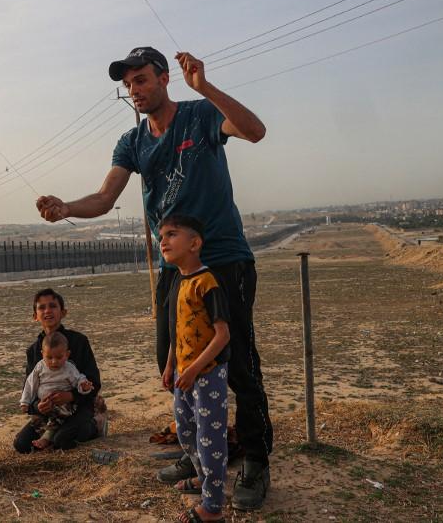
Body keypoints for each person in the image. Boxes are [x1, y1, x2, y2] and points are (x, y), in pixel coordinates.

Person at [35, 47, 272, 510]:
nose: (135, 91)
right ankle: (198, 453)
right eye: (128, 85)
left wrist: (205, 88)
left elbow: (256, 132)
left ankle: (255, 459)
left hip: (222, 260)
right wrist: (66, 209)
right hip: (171, 270)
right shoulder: (133, 141)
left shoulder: (201, 116)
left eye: (141, 80)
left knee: (238, 362)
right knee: (173, 361)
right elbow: (104, 198)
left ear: (165, 79)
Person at [159, 214, 231, 522]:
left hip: (208, 375)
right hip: (183, 375)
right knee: (186, 433)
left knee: (209, 438)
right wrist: (170, 365)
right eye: (161, 235)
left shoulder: (207, 282)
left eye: (172, 234)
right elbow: (179, 329)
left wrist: (194, 369)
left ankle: (212, 507)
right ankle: (204, 479)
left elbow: (222, 335)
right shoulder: (178, 281)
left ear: (195, 243)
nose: (163, 241)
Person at [14, 288, 102, 453]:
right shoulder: (33, 351)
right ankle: (51, 435)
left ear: (63, 312)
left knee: (62, 439)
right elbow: (29, 388)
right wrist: (38, 407)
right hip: (49, 415)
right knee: (22, 444)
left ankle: (97, 425)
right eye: (41, 307)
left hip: (78, 407)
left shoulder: (79, 342)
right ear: (35, 316)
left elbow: (94, 382)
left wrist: (71, 396)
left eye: (53, 306)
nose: (47, 310)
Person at [19, 331, 95, 449]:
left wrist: (82, 387)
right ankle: (47, 434)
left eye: (59, 357)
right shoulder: (39, 365)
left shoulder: (69, 367)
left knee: (61, 438)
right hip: (44, 406)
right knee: (22, 443)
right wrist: (28, 403)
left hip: (65, 406)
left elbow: (79, 379)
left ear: (67, 354)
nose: (54, 361)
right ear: (42, 354)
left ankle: (48, 436)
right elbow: (30, 384)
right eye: (49, 357)